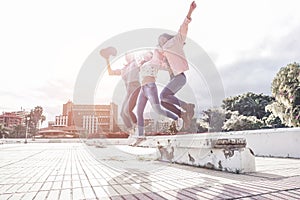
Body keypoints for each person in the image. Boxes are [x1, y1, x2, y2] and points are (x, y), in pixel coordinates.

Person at [158, 1, 197, 130]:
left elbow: (183, 26)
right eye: (159, 42)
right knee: (163, 101)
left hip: (180, 77)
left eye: (162, 39)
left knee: (163, 96)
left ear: (167, 38)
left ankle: (187, 107)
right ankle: (183, 115)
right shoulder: (165, 54)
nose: (161, 42)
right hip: (174, 78)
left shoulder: (176, 41)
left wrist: (190, 11)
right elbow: (162, 65)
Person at [137, 49, 183, 137]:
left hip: (150, 87)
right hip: (142, 89)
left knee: (157, 109)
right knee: (139, 112)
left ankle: (177, 118)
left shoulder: (154, 62)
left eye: (149, 54)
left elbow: (165, 64)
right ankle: (140, 135)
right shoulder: (143, 64)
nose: (146, 54)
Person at [101, 49, 146, 134]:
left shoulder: (135, 64)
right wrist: (107, 59)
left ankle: (140, 129)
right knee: (122, 113)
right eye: (126, 55)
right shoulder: (123, 70)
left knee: (127, 111)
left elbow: (144, 61)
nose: (127, 56)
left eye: (129, 55)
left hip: (136, 88)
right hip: (128, 92)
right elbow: (110, 72)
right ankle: (132, 132)